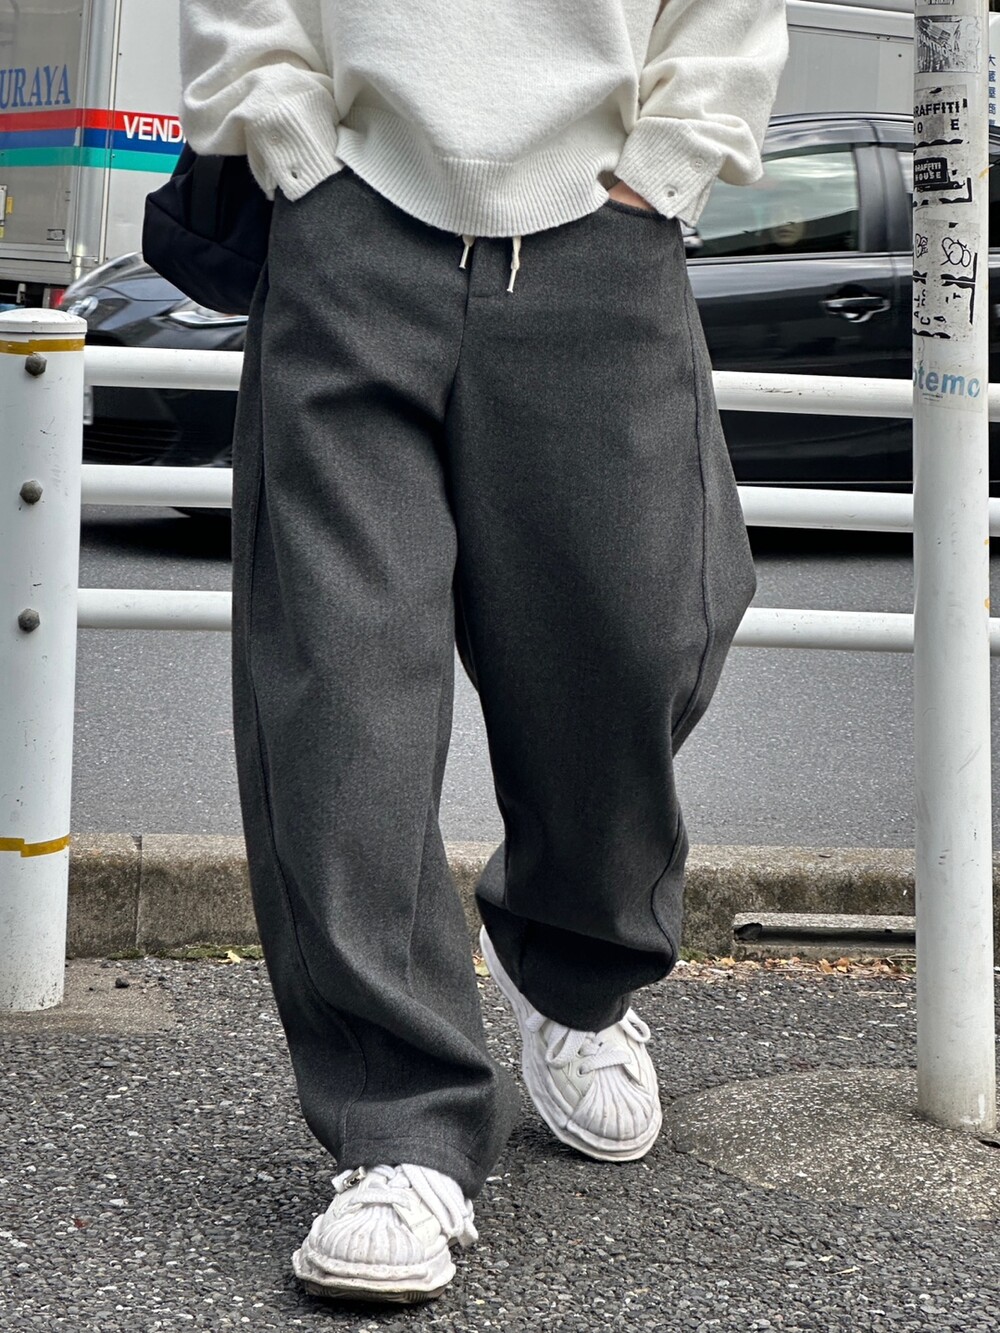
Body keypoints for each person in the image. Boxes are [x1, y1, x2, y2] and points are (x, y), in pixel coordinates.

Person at [180, 0, 788, 1306]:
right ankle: (398, 1125)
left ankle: (573, 963)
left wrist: (665, 165)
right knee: (338, 684)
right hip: (351, 218)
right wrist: (293, 144)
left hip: (604, 229)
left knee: (640, 638)